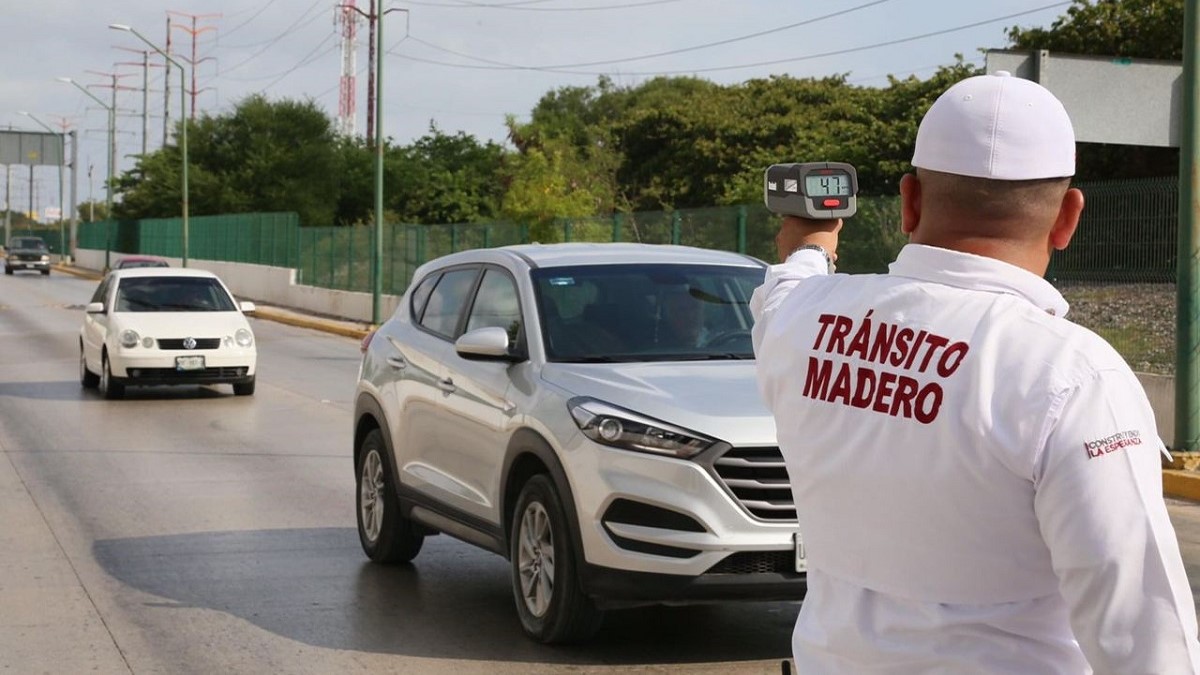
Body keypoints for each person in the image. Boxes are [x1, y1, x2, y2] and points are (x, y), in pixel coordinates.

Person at [751, 71, 1200, 673]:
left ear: (910, 202)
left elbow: (785, 286)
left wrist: (812, 245)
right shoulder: (1072, 376)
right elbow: (1143, 634)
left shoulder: (802, 322)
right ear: (1068, 217)